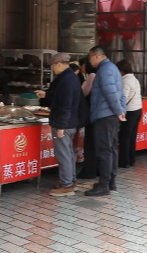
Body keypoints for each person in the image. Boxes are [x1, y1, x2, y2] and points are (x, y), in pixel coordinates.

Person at [84, 46, 126, 197]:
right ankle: (110, 183)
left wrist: (119, 111)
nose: (89, 61)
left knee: (104, 151)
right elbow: (121, 94)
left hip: (104, 116)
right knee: (112, 150)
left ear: (96, 56)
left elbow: (111, 94)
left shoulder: (104, 70)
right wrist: (121, 111)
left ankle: (103, 185)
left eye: (90, 57)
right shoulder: (113, 68)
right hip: (111, 116)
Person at [46, 53, 82, 197]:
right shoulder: (72, 77)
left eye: (53, 66)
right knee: (68, 153)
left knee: (63, 154)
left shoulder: (66, 80)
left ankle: (67, 186)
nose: (53, 69)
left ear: (59, 64)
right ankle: (70, 181)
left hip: (64, 124)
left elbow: (65, 105)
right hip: (71, 122)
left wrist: (61, 126)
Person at [116, 59, 142, 169]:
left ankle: (124, 161)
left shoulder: (125, 81)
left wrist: (117, 109)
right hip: (138, 110)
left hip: (130, 112)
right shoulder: (134, 79)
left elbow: (124, 99)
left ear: (121, 71)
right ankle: (131, 159)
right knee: (131, 137)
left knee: (125, 137)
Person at [77, 57, 98, 181]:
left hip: (92, 113)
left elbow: (83, 92)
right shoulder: (100, 74)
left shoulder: (92, 76)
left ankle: (89, 171)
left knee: (90, 143)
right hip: (98, 114)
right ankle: (96, 169)